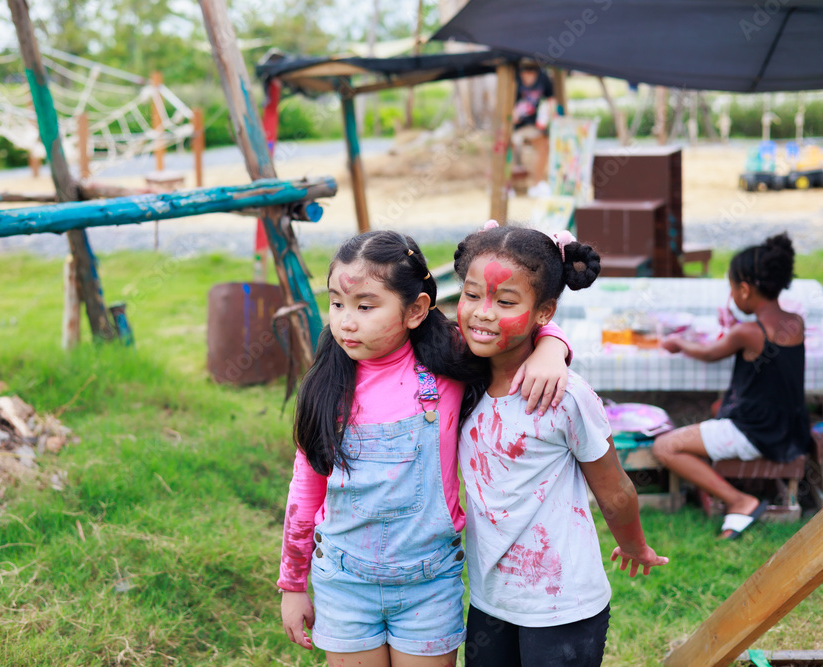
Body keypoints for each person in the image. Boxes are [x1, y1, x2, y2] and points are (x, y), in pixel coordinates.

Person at [278, 230, 573, 666]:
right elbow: (305, 491)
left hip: (428, 584)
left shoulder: (448, 360)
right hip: (343, 582)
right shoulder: (326, 386)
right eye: (337, 304)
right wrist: (292, 584)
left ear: (416, 309)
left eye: (365, 306)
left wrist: (552, 346)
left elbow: (511, 327)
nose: (346, 322)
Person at [453, 225, 669, 667]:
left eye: (505, 302)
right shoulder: (459, 376)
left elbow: (615, 489)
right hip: (490, 599)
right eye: (472, 295)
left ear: (544, 311)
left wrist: (634, 546)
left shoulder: (565, 396)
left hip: (563, 605)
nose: (483, 313)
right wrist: (553, 342)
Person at [652, 233, 811, 539]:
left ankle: (738, 500)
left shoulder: (747, 332)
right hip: (791, 429)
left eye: (732, 288)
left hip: (756, 432)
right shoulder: (796, 322)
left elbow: (709, 353)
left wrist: (679, 343)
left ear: (745, 289)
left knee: (665, 446)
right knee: (716, 408)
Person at [512, 61, 555, 198]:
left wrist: (549, 116)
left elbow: (551, 99)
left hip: (534, 125)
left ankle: (537, 184)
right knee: (507, 149)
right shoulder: (514, 78)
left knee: (543, 147)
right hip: (515, 126)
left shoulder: (543, 78)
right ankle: (507, 185)